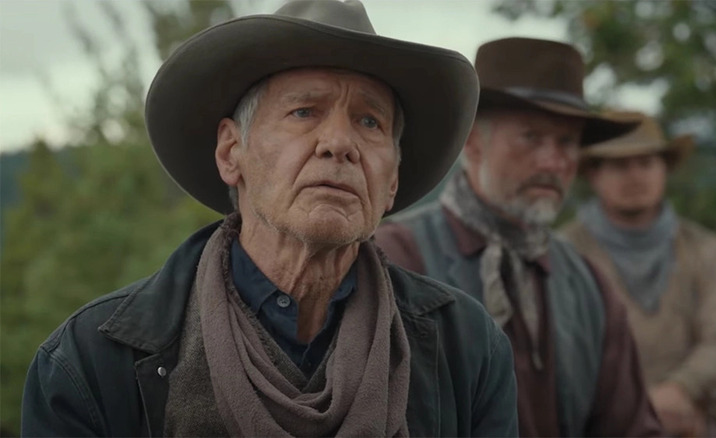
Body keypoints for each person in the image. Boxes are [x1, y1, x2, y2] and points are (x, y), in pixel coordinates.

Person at [20, 2, 519, 436]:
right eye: (305, 112)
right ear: (231, 152)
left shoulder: (468, 351)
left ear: (391, 181)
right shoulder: (90, 364)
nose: (339, 143)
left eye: (370, 121)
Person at [374, 37, 664, 437]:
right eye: (531, 137)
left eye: (566, 142)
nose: (552, 161)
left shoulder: (588, 285)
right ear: (473, 141)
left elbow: (630, 427)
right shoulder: (396, 257)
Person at [559, 111, 716, 437]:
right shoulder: (564, 253)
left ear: (664, 169)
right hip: (594, 423)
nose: (635, 176)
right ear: (594, 174)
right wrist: (627, 409)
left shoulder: (704, 248)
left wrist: (680, 389)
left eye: (646, 163)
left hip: (686, 418)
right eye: (620, 165)